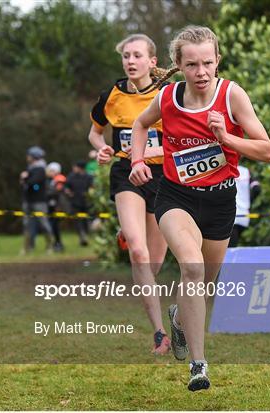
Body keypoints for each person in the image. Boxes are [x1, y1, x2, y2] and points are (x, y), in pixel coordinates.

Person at [129, 25, 270, 391]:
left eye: (208, 63)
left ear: (218, 61)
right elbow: (140, 123)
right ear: (179, 64)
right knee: (191, 268)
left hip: (221, 200)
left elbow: (266, 150)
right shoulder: (167, 99)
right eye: (192, 64)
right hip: (176, 197)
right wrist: (136, 161)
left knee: (204, 283)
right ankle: (199, 365)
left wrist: (227, 138)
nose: (201, 72)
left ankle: (178, 319)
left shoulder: (231, 95)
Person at [88, 34, 170, 355]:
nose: (130, 61)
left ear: (152, 61)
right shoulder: (112, 94)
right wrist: (103, 147)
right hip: (126, 173)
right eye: (126, 56)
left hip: (162, 176)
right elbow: (94, 132)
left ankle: (130, 231)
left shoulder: (167, 94)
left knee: (155, 262)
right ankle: (160, 333)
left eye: (137, 56)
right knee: (138, 253)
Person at [20, 146, 53, 254]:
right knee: (27, 225)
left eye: (29, 155)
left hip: (39, 201)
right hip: (28, 200)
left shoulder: (40, 169)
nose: (27, 157)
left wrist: (25, 178)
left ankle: (50, 246)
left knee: (44, 223)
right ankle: (27, 248)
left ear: (34, 157)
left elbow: (33, 183)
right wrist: (25, 179)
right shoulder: (30, 168)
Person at [228, 163, 261, 248]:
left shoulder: (224, 169)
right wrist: (248, 203)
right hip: (244, 215)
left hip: (228, 215)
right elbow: (257, 189)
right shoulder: (247, 171)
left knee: (228, 251)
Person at [65, 161, 94, 246]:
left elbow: (92, 187)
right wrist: (68, 192)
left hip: (86, 202)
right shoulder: (71, 176)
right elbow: (66, 187)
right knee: (78, 221)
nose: (73, 169)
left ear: (80, 168)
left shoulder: (89, 177)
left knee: (86, 220)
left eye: (75, 167)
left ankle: (87, 236)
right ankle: (82, 237)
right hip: (75, 202)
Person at [46, 162, 67, 252]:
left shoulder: (59, 179)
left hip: (58, 206)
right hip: (52, 205)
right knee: (52, 226)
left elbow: (56, 192)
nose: (50, 172)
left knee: (54, 226)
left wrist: (46, 193)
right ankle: (56, 243)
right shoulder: (51, 180)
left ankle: (58, 244)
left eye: (51, 170)